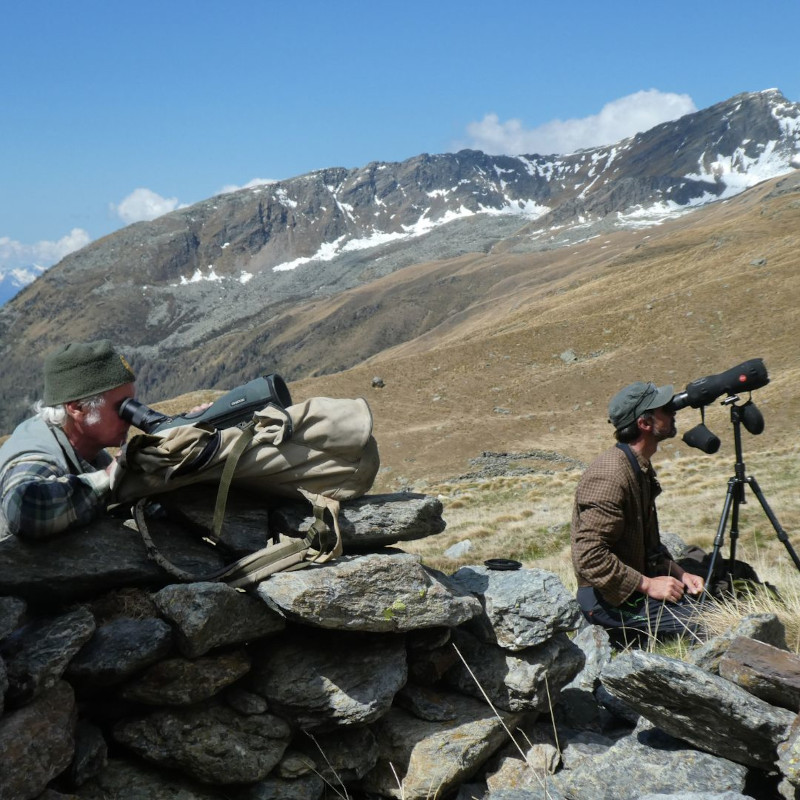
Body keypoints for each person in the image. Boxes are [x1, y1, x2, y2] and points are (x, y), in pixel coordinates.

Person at [570, 380, 705, 645]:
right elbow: (588, 557)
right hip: (606, 601)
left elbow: (646, 545)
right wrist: (648, 585)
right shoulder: (610, 475)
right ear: (644, 423)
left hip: (629, 589)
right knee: (708, 622)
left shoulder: (637, 467)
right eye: (664, 409)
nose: (673, 412)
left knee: (717, 596)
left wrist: (679, 573)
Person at [0, 340, 136, 541]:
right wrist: (106, 479)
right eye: (121, 407)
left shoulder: (91, 454)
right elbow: (23, 510)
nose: (131, 416)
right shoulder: (35, 450)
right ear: (77, 408)